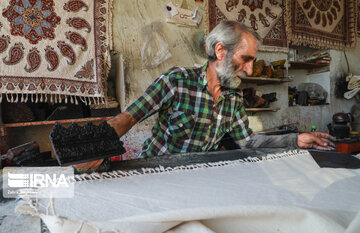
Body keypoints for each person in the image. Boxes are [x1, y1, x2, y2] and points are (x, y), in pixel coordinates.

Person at [76, 21, 335, 169]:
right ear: (220, 50)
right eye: (246, 59)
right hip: (157, 171)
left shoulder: (233, 98)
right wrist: (93, 148)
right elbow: (130, 117)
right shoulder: (176, 80)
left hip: (200, 173)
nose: (249, 69)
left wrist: (296, 139)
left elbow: (249, 142)